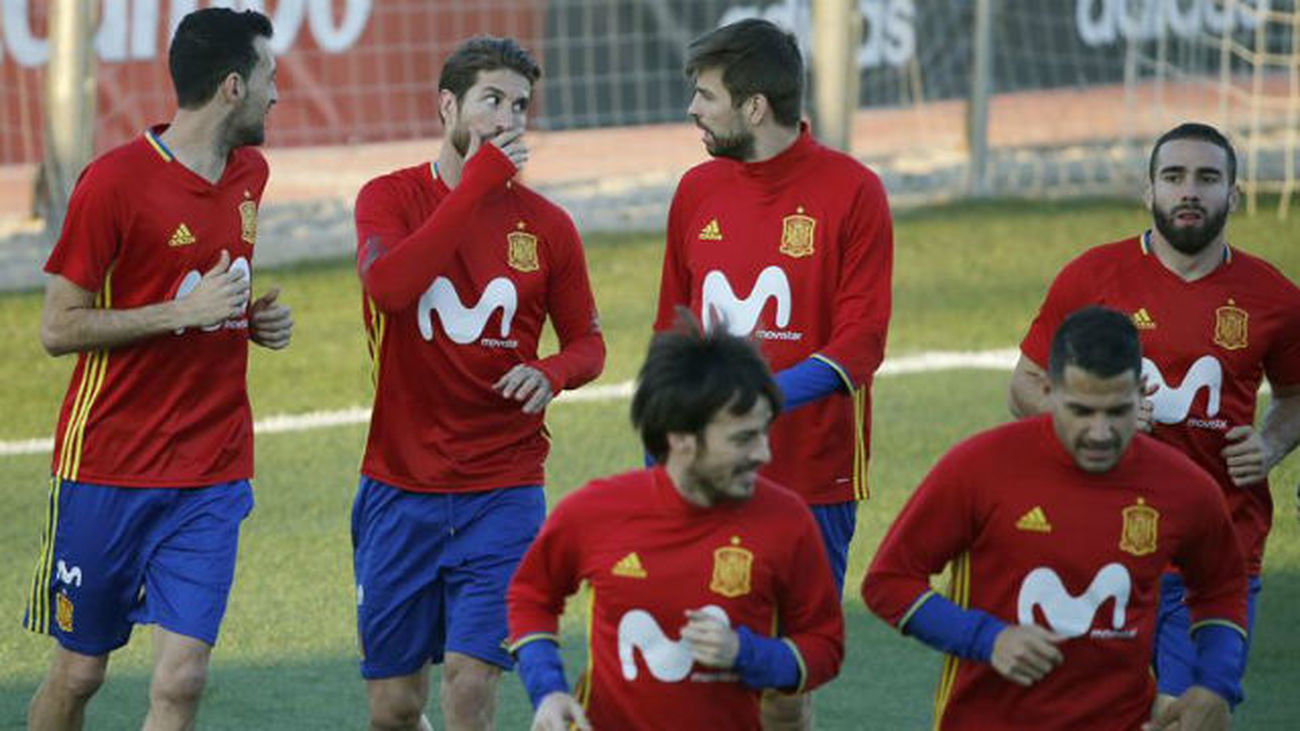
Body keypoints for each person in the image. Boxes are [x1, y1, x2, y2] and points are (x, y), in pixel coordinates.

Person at [22, 8, 289, 730]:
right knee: (79, 673)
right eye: (269, 77)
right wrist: (182, 313)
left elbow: (205, 288)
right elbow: (57, 327)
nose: (277, 94)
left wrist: (246, 320)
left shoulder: (251, 174)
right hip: (108, 466)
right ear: (233, 86)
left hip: (212, 469)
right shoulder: (112, 183)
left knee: (182, 679)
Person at [351, 36, 605, 731]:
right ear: (447, 106)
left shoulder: (548, 226)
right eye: (491, 100)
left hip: (504, 487)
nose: (507, 119)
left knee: (470, 689)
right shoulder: (388, 198)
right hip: (400, 487)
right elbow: (391, 288)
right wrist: (475, 188)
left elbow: (589, 344)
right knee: (395, 707)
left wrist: (551, 372)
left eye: (520, 105)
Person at [1007, 122, 1300, 710]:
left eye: (1207, 178)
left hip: (1217, 549)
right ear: (1150, 191)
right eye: (1173, 177)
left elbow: (1295, 396)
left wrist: (1269, 445)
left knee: (1188, 712)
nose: (1189, 190)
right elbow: (1025, 386)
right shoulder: (1092, 277)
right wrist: (1098, 421)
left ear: (1233, 195)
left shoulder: (1274, 297)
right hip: (1102, 544)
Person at [653, 18, 891, 726]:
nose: (692, 109)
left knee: (784, 690)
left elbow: (860, 346)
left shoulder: (853, 191)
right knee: (695, 673)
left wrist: (749, 400)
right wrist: (660, 445)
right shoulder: (696, 190)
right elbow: (673, 331)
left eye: (706, 95)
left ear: (754, 106)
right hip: (701, 476)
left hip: (813, 480)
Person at [865, 307, 1249, 730]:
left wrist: (1215, 683)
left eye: (1117, 411)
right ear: (1047, 390)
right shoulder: (978, 468)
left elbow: (1222, 586)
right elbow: (888, 581)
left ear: (1142, 393)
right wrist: (988, 639)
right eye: (1081, 411)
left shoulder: (1184, 487)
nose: (1100, 432)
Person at [507, 313, 844, 731]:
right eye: (742, 439)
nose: (763, 453)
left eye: (763, 433)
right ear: (681, 438)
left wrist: (746, 654)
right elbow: (531, 595)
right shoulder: (595, 511)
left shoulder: (787, 521)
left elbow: (825, 644)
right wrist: (548, 690)